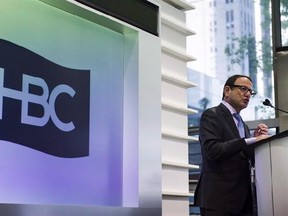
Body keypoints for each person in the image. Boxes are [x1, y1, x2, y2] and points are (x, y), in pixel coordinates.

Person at [194, 74, 270, 216]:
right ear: (227, 91)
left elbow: (243, 156)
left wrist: (256, 141)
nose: (247, 94)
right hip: (219, 200)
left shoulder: (244, 126)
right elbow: (212, 151)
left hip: (244, 201)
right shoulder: (212, 115)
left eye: (250, 92)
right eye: (243, 89)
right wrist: (248, 141)